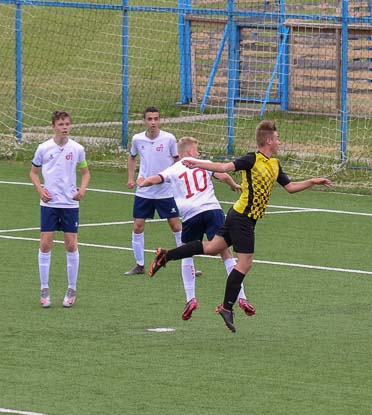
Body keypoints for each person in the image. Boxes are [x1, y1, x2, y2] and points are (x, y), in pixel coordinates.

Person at [148, 120, 332, 333]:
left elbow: (290, 187)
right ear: (269, 141)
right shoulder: (251, 159)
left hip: (241, 216)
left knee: (212, 248)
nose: (280, 142)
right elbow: (224, 167)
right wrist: (198, 163)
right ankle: (226, 307)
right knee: (245, 263)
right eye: (278, 139)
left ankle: (166, 255)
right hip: (242, 217)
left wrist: (312, 181)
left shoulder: (274, 164)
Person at [137, 137, 256, 320]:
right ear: (190, 152)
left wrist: (143, 182)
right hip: (211, 210)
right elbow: (223, 175)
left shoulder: (173, 169)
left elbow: (157, 179)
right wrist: (233, 185)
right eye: (197, 150)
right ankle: (242, 298)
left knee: (187, 253)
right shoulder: (204, 164)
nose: (199, 154)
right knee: (226, 253)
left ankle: (190, 298)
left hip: (191, 214)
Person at [29, 110, 91, 308]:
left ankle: (71, 288)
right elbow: (33, 173)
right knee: (45, 244)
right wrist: (40, 190)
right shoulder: (43, 148)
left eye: (67, 124)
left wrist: (82, 190)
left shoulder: (78, 149)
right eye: (61, 124)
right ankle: (44, 288)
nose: (65, 127)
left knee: (71, 245)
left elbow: (86, 173)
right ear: (53, 126)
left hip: (70, 204)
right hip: (49, 204)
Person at [124, 106, 184, 276]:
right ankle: (139, 264)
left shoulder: (169, 139)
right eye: (149, 119)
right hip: (144, 191)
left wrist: (174, 179)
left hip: (165, 190)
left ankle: (186, 262)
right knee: (138, 226)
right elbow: (132, 156)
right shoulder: (137, 139)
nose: (153, 123)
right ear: (144, 121)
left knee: (175, 225)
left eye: (156, 119)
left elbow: (177, 160)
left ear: (160, 120)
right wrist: (131, 178)